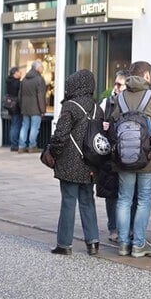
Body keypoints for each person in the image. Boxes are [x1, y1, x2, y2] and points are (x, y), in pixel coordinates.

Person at [111, 61, 151, 258]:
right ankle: (138, 244)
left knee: (124, 200)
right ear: (146, 75)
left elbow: (112, 124)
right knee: (144, 200)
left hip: (124, 158)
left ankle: (123, 243)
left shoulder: (120, 98)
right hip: (149, 159)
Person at [47, 69, 102, 256]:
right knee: (88, 201)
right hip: (90, 162)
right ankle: (93, 242)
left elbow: (60, 135)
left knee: (68, 201)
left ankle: (64, 244)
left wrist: (52, 152)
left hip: (70, 163)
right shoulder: (97, 108)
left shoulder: (70, 106)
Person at [96, 70, 129, 244]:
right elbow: (96, 123)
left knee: (127, 193)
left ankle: (126, 228)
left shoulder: (131, 102)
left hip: (127, 152)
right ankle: (113, 228)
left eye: (119, 84)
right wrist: (103, 126)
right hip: (110, 153)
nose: (115, 88)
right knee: (111, 193)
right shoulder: (106, 102)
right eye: (115, 84)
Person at [18, 60, 47, 153]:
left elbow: (20, 95)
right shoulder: (39, 79)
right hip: (36, 108)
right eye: (42, 67)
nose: (43, 68)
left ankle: (21, 146)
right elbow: (41, 96)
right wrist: (43, 110)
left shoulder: (24, 79)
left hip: (25, 108)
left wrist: (21, 106)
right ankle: (32, 146)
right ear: (37, 68)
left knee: (25, 126)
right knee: (35, 127)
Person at [5, 66, 22, 152]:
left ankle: (13, 144)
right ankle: (14, 145)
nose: (21, 73)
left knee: (13, 125)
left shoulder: (9, 81)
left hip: (10, 106)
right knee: (16, 125)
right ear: (15, 73)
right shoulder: (16, 83)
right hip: (16, 106)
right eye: (19, 72)